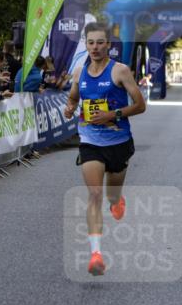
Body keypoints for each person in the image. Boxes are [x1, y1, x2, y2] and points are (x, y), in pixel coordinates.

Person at [63, 22, 147, 276]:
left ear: (109, 44)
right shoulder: (79, 72)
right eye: (91, 43)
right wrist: (70, 108)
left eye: (100, 42)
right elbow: (73, 97)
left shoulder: (120, 70)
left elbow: (140, 105)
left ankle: (117, 201)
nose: (95, 47)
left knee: (111, 196)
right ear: (86, 44)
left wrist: (112, 114)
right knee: (95, 194)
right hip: (90, 141)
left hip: (118, 142)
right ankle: (96, 254)